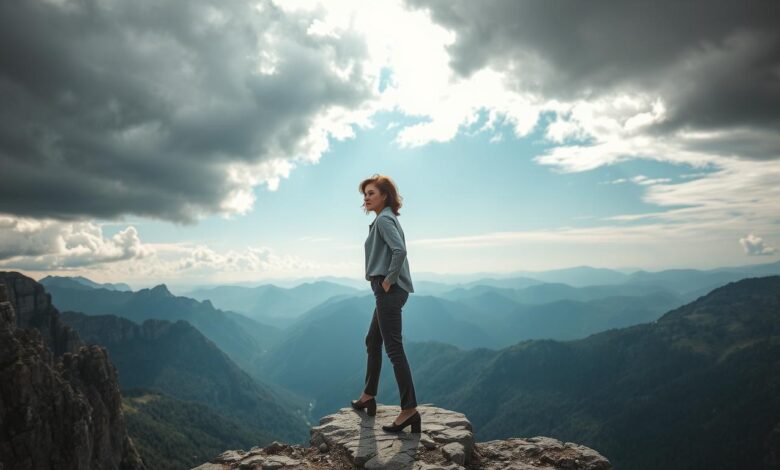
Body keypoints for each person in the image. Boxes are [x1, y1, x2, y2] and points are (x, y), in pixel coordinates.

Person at [350, 174, 421, 433]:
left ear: (385, 196)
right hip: (386, 291)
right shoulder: (385, 218)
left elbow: (399, 251)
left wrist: (389, 281)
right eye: (365, 194)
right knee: (373, 340)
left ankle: (409, 410)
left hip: (389, 290)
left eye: (371, 193)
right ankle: (368, 395)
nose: (366, 198)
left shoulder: (384, 220)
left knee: (393, 349)